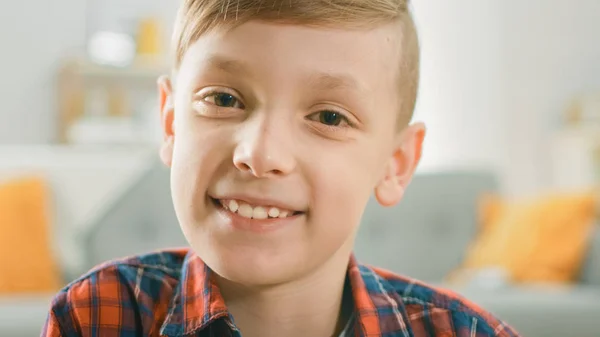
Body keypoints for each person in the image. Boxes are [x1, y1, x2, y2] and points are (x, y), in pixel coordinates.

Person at [42, 0, 520, 336]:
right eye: (224, 99)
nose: (261, 154)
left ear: (395, 164)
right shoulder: (96, 316)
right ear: (170, 122)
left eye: (329, 117)